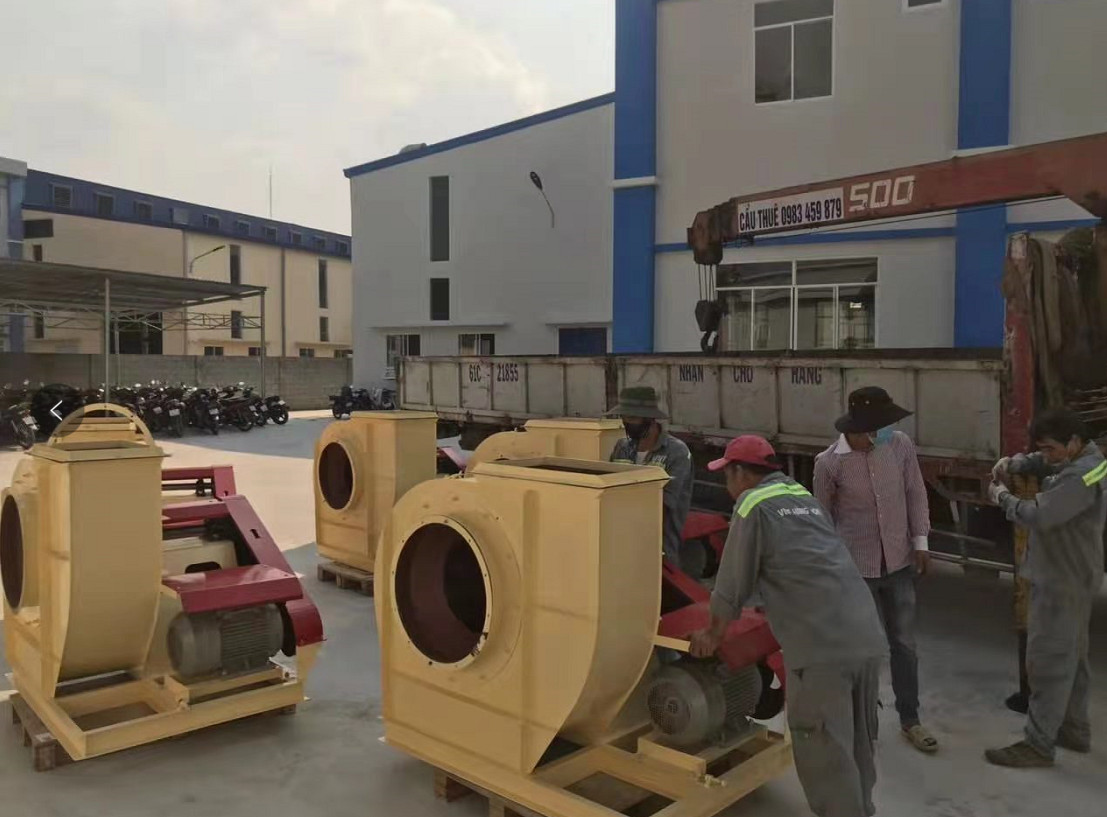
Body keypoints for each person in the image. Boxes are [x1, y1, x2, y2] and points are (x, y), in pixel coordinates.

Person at [690, 436, 887, 817]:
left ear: (740, 472)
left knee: (824, 750)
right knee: (856, 744)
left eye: (726, 476)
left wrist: (712, 634)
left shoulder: (753, 503)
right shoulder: (802, 497)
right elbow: (804, 561)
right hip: (864, 634)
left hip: (821, 647)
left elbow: (732, 582)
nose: (727, 486)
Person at [813, 386, 938, 755]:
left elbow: (915, 492)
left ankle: (910, 719)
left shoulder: (899, 446)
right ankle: (862, 721)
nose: (884, 432)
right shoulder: (829, 464)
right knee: (862, 650)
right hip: (856, 571)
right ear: (857, 429)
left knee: (905, 645)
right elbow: (822, 520)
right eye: (877, 428)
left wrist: (920, 542)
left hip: (899, 563)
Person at [985, 408, 1105, 767]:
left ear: (1073, 442)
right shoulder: (1089, 460)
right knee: (1073, 658)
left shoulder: (1080, 476)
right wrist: (1018, 462)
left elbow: (1041, 515)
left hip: (1060, 579)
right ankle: (1074, 730)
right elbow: (1048, 462)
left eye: (1051, 448)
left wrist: (1002, 496)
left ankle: (1037, 745)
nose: (1046, 455)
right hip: (1075, 574)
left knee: (1047, 661)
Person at [608, 386, 693, 570]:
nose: (626, 423)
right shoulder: (621, 447)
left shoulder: (676, 452)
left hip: (659, 549)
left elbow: (663, 506)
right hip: (622, 546)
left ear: (650, 419)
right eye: (624, 418)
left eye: (632, 418)